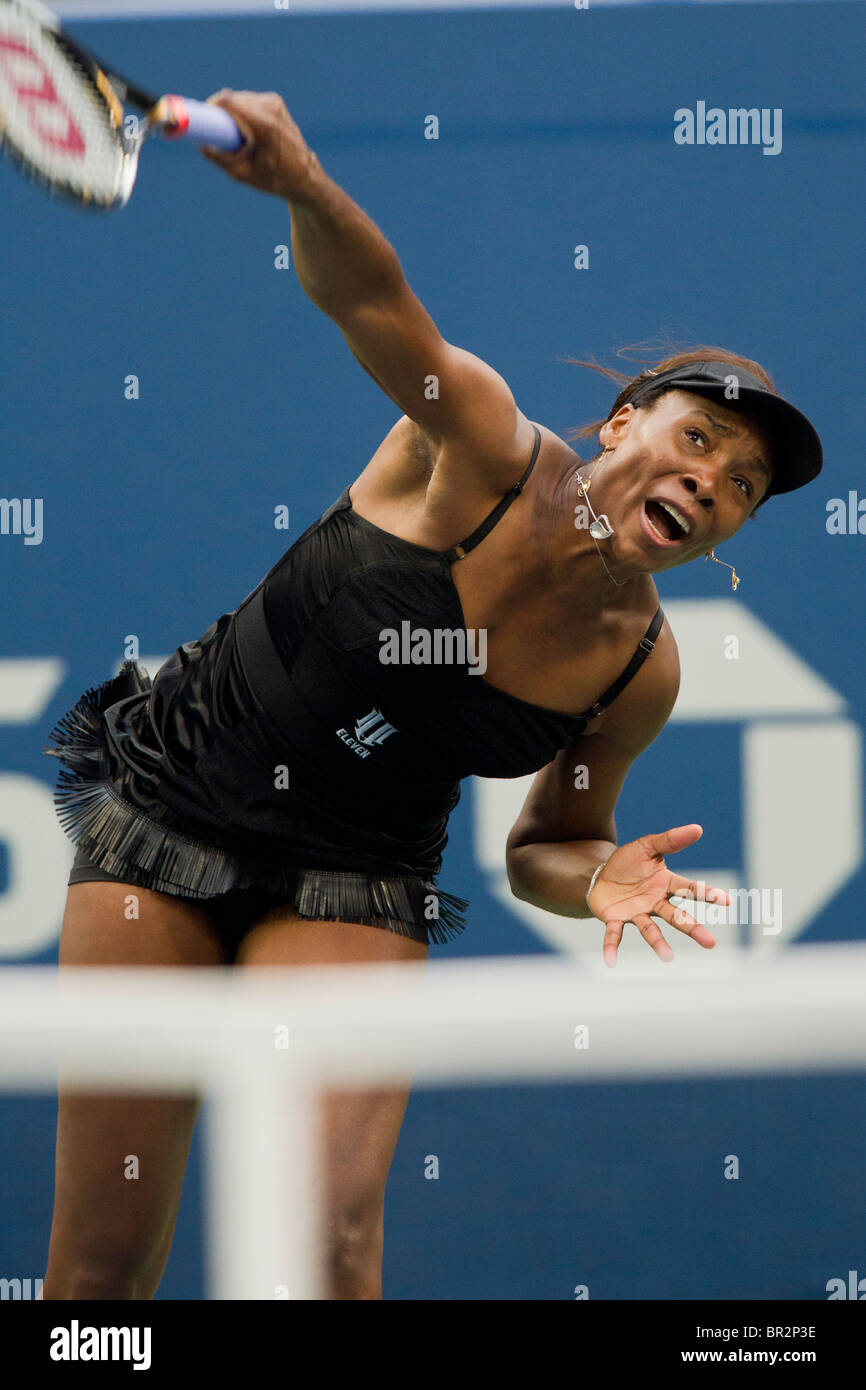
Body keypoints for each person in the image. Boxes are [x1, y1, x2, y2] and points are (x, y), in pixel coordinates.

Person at [39, 90, 823, 1300]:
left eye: (744, 483)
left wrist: (596, 873)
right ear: (624, 423)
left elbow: (549, 845)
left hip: (354, 878)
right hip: (167, 821)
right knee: (97, 1272)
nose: (712, 477)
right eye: (699, 437)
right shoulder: (477, 450)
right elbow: (370, 300)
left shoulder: (638, 668)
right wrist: (303, 185)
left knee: (331, 1249)